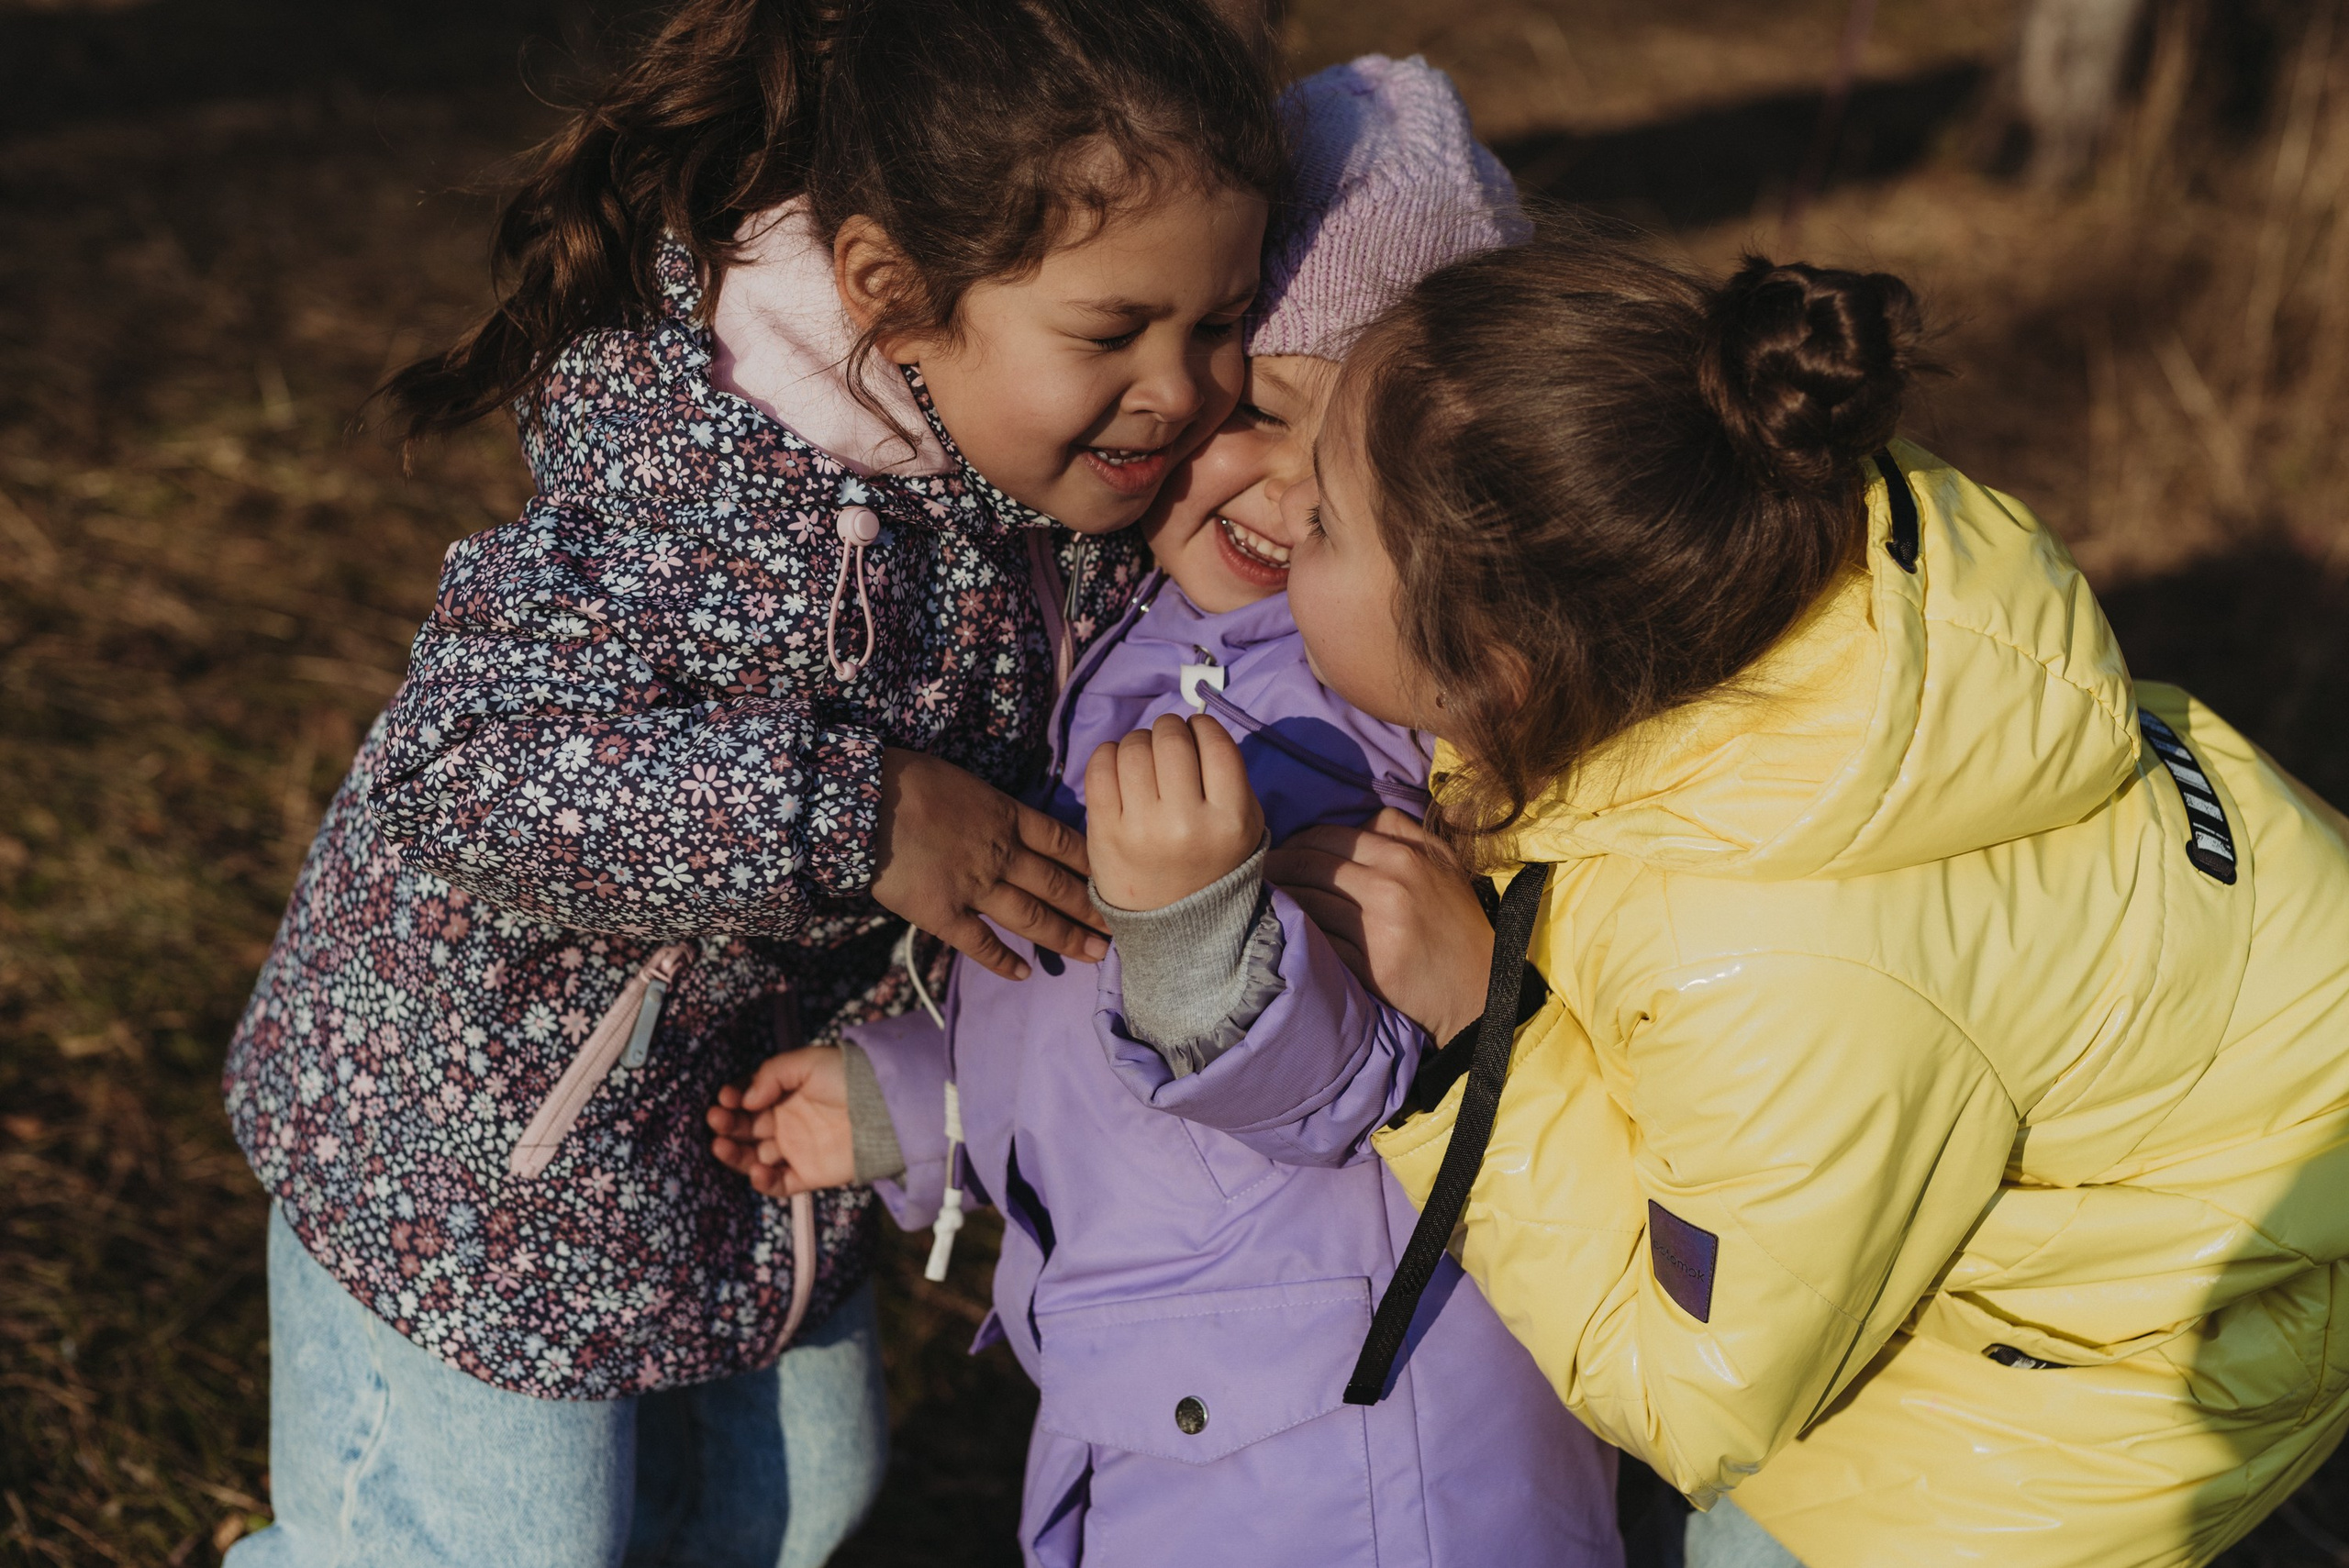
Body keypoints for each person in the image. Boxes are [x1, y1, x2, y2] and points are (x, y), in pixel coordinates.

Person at [1093, 233, 2349, 1568]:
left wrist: (1479, 1035)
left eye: (1331, 517)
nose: (1282, 508)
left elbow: (1688, 1389)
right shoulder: (1771, 541)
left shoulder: (1766, 963)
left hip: (2114, 1371)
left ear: (1497, 665)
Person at [218, 2, 1281, 1562]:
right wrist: (858, 813)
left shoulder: (1033, 485)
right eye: (1113, 333)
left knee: (787, 1513)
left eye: (1220, 323)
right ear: (890, 294)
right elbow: (461, 770)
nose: (1181, 388)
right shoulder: (701, 471)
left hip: (736, 1152)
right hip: (480, 1149)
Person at [710, 58, 1624, 1568]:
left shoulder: (1368, 702)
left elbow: (1354, 1086)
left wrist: (1200, 934)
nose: (1284, 490)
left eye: (1358, 477)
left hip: (1364, 1458)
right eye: (1256, 404)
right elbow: (1097, 1020)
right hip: (1204, 1410)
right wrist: (914, 1095)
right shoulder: (1146, 642)